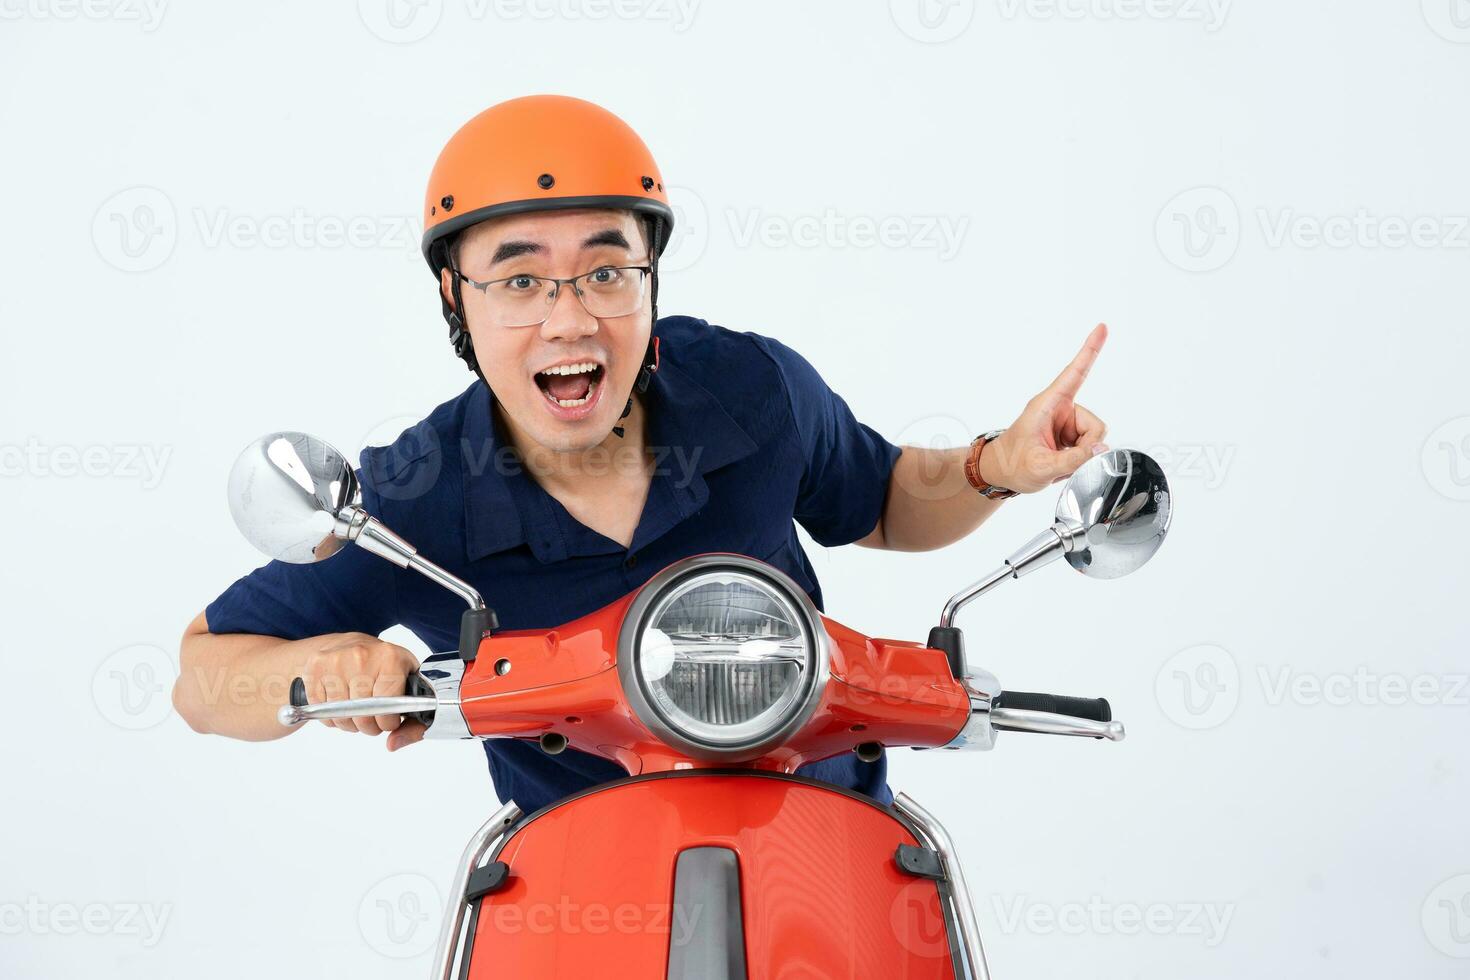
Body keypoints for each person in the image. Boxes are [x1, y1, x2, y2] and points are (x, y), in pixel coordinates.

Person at [172, 94, 1109, 817]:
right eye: (520, 278)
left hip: (830, 836)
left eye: (606, 271)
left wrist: (996, 464)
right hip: (577, 887)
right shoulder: (418, 496)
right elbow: (202, 674)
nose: (570, 317)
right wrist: (319, 667)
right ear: (456, 301)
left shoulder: (750, 389)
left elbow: (887, 501)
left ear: (652, 278)